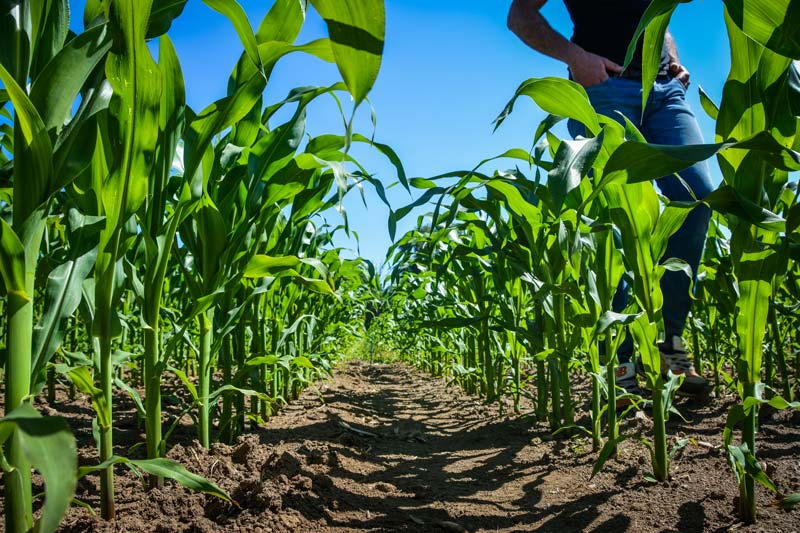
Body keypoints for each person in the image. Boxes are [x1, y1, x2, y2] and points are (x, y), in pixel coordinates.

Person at [506, 0, 713, 399]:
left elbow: (655, 19)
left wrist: (672, 58)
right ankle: (620, 365)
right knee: (613, 219)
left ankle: (671, 347)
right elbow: (520, 16)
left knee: (697, 198)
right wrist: (576, 58)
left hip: (666, 91)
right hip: (603, 85)